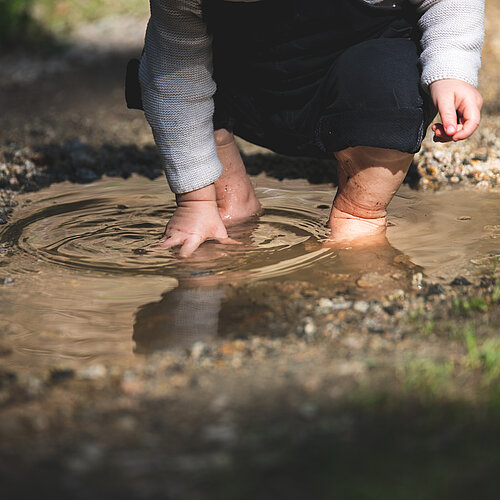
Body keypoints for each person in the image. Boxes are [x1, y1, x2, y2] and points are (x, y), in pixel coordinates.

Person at [131, 0, 484, 257]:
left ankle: (358, 216)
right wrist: (195, 201)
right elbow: (175, 84)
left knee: (390, 80)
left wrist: (451, 68)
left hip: (357, 93)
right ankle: (229, 200)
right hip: (254, 92)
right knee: (172, 79)